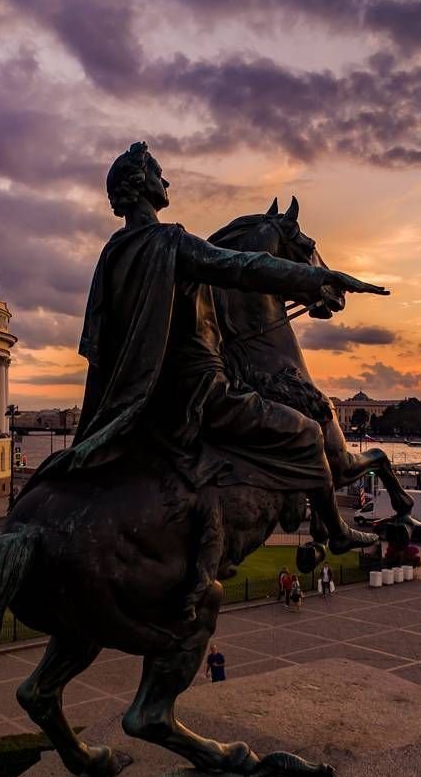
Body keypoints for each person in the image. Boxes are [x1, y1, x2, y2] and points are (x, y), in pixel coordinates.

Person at [27, 142, 386, 621]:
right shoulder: (167, 242)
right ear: (141, 186)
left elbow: (103, 342)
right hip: (201, 391)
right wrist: (312, 276)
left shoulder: (113, 253)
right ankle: (335, 529)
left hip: (148, 399)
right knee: (304, 432)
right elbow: (243, 267)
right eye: (158, 173)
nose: (166, 181)